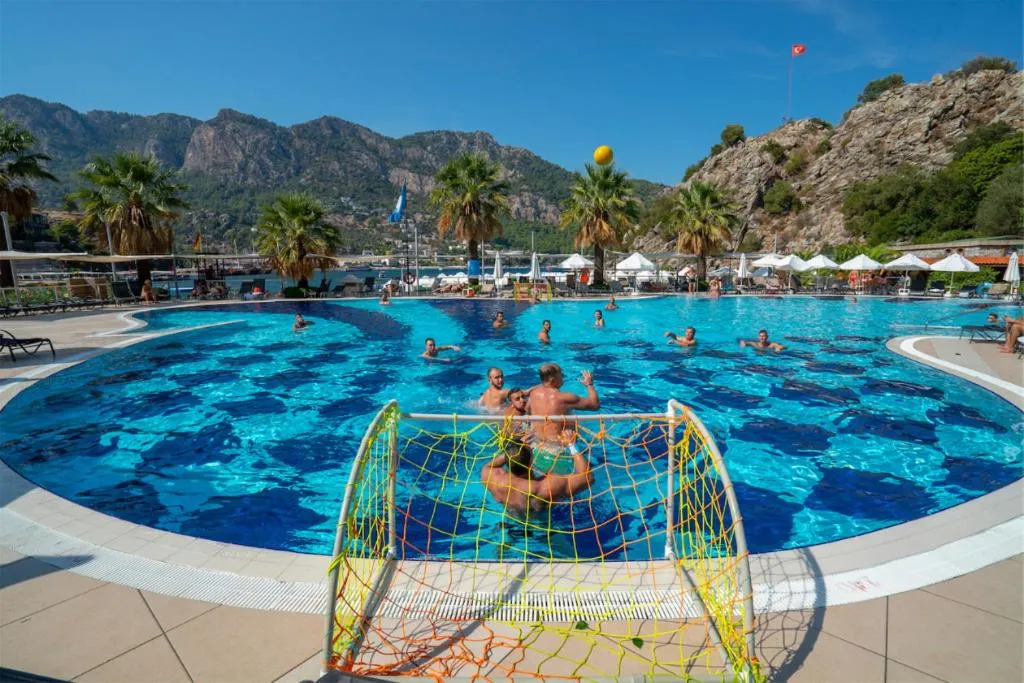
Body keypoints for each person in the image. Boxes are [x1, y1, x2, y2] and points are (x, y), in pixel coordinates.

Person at [481, 439, 594, 518]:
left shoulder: (495, 480)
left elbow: (487, 466)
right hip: (544, 526)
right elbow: (588, 477)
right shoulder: (545, 486)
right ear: (531, 462)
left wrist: (512, 452)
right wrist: (571, 444)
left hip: (511, 521)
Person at [528, 363, 600, 444]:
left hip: (537, 444)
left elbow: (527, 412)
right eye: (560, 374)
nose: (563, 376)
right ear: (552, 380)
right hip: (559, 448)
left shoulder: (533, 394)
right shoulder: (564, 398)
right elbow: (595, 405)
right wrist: (589, 385)